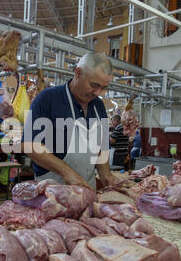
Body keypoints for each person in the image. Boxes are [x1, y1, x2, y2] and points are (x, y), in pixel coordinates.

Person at [22, 51, 121, 190]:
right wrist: (67, 172)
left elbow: (101, 147)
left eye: (103, 88)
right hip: (53, 191)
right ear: (78, 73)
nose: (98, 93)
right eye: (94, 85)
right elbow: (31, 145)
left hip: (87, 189)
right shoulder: (47, 99)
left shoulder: (98, 106)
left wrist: (106, 175)